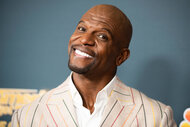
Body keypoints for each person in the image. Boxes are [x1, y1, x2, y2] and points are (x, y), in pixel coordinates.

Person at [11, 4, 177, 127]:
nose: (84, 39)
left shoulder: (157, 117)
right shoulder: (26, 117)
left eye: (102, 36)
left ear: (121, 56)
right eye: (82, 28)